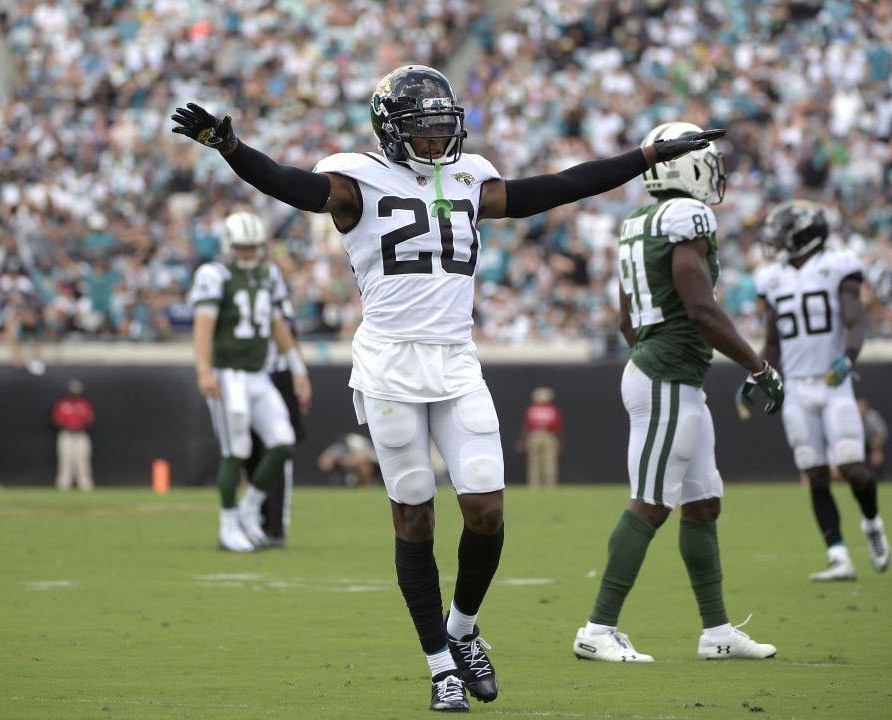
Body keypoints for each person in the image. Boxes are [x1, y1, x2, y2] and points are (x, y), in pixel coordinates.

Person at [172, 65, 727, 712]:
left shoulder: (469, 178)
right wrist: (232, 149)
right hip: (388, 366)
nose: (437, 141)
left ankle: (463, 630)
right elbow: (293, 187)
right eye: (424, 130)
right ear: (390, 130)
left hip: (456, 361)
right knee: (414, 515)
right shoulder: (357, 179)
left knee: (486, 508)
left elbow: (557, 187)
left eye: (443, 128)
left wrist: (646, 157)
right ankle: (439, 665)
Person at [572, 122, 784, 665]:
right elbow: (701, 308)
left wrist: (659, 355)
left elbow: (625, 319)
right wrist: (758, 365)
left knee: (702, 502)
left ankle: (716, 632)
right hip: (667, 376)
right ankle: (597, 628)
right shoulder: (689, 216)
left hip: (668, 373)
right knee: (650, 503)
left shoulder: (636, 221)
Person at [752, 200, 890, 581]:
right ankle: (838, 555)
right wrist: (756, 373)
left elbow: (855, 321)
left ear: (803, 235)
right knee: (814, 472)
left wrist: (848, 357)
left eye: (782, 231)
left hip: (834, 383)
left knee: (850, 466)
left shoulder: (837, 265)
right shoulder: (771, 278)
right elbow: (772, 342)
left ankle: (872, 523)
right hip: (796, 387)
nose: (775, 239)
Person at [188, 210, 311, 553]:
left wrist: (297, 368)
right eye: (242, 248)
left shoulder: (267, 274)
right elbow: (203, 326)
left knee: (284, 441)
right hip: (229, 375)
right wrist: (203, 370)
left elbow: (277, 325)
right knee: (236, 449)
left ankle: (250, 506)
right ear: (229, 245)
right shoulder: (213, 274)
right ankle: (228, 524)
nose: (248, 254)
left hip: (259, 375)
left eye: (253, 247)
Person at [245, 325, 312, 548]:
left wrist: (298, 371)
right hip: (240, 374)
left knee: (282, 446)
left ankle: (275, 524)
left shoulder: (274, 294)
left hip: (276, 374)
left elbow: (285, 330)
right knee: (244, 450)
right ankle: (251, 518)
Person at [52, 379, 94, 491]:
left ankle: (85, 486)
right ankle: (63, 485)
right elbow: (57, 419)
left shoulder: (84, 404)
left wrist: (79, 426)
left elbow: (89, 419)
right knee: (65, 460)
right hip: (66, 435)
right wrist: (67, 426)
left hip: (80, 435)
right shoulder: (63, 403)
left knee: (82, 460)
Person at [517, 386, 562, 488]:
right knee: (550, 462)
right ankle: (550, 486)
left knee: (534, 463)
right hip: (549, 436)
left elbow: (527, 426)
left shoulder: (532, 409)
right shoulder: (553, 409)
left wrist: (523, 440)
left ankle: (534, 486)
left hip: (534, 436)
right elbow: (558, 426)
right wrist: (559, 440)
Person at [856, 397, 889, 482]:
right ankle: (859, 480)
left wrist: (877, 450)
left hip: (872, 443)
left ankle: (880, 480)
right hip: (858, 444)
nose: (861, 410)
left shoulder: (873, 417)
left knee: (877, 458)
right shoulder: (852, 418)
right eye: (858, 407)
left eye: (862, 407)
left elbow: (880, 434)